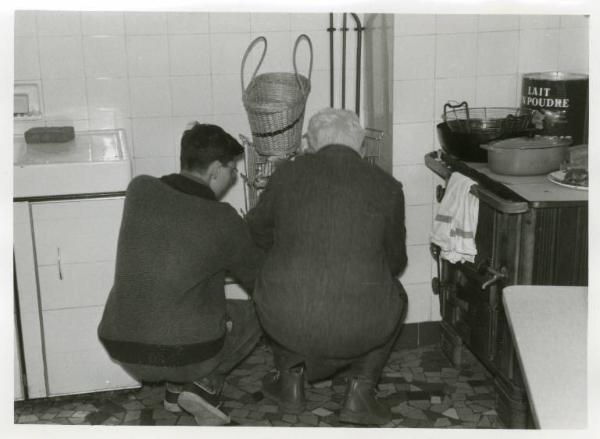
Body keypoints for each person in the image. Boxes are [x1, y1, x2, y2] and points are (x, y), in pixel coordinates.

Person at [245, 108, 409, 426]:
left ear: (309, 144)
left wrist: (287, 254)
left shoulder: (285, 175)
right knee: (397, 295)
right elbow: (396, 262)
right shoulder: (387, 186)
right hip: (362, 324)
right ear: (361, 148)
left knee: (276, 283)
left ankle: (290, 383)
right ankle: (360, 395)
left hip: (287, 317)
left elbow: (257, 231)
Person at [98, 123, 263, 425]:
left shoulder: (139, 189)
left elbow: (174, 247)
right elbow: (259, 282)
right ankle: (205, 385)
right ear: (215, 169)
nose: (235, 176)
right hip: (186, 352)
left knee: (184, 292)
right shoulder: (224, 219)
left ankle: (175, 393)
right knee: (256, 310)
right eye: (232, 168)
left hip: (121, 343)